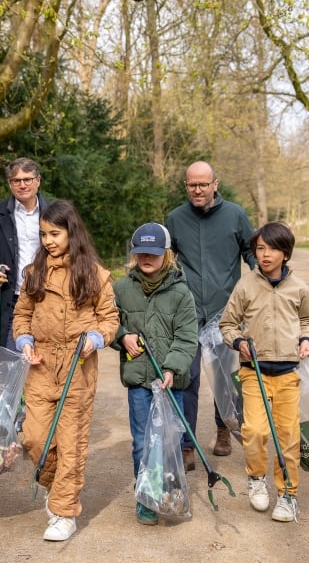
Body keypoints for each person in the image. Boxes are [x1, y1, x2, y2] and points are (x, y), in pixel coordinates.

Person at [12, 200, 119, 541]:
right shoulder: (34, 272)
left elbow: (110, 319)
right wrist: (24, 340)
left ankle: (63, 511)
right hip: (41, 365)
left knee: (71, 443)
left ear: (72, 232)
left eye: (55, 234)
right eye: (43, 234)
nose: (48, 241)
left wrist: (96, 338)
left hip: (78, 366)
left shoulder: (95, 274)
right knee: (34, 437)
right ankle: (54, 483)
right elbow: (21, 314)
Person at [219, 222, 309, 523]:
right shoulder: (246, 286)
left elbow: (307, 320)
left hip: (287, 374)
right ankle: (256, 478)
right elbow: (227, 324)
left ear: (285, 253)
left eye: (272, 248)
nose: (265, 254)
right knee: (256, 431)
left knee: (288, 436)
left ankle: (288, 495)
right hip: (253, 372)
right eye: (260, 248)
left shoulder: (299, 287)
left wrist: (306, 339)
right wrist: (237, 341)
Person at [165, 161, 256, 470]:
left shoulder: (235, 215)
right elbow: (167, 259)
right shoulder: (175, 219)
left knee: (226, 379)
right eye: (192, 185)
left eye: (203, 184)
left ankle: (223, 429)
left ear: (215, 183)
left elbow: (252, 252)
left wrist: (261, 281)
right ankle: (187, 442)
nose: (198, 190)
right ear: (186, 185)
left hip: (225, 313)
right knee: (186, 378)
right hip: (188, 313)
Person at [112, 222, 197, 526]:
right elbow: (108, 323)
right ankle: (146, 496)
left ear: (167, 254)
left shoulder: (181, 293)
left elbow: (187, 337)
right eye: (140, 253)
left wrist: (173, 367)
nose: (146, 258)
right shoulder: (121, 289)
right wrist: (122, 337)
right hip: (138, 382)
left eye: (153, 252)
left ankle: (169, 492)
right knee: (141, 441)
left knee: (167, 440)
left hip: (171, 383)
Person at [0, 157, 51, 349]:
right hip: (10, 299)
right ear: (9, 184)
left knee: (45, 362)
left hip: (48, 297)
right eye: (16, 181)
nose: (22, 185)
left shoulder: (55, 212)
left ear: (38, 180)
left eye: (27, 179)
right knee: (8, 363)